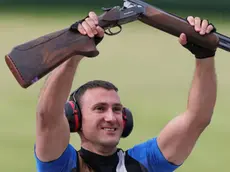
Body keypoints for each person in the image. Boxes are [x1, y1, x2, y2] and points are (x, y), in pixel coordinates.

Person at [34, 11, 217, 172]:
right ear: (76, 118)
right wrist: (73, 55)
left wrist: (204, 56)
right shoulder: (63, 165)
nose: (111, 117)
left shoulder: (144, 163)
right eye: (99, 108)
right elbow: (47, 115)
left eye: (117, 109)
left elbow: (197, 118)